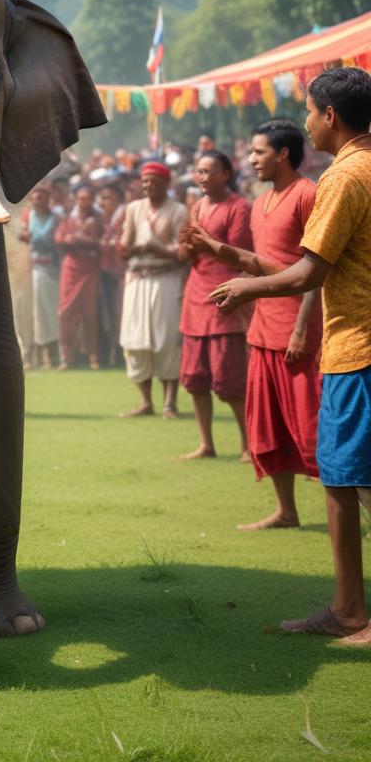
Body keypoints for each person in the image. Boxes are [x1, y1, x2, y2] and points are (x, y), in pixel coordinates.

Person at [212, 68, 371, 645]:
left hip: (356, 346)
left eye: (309, 110)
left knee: (344, 478)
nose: (307, 121)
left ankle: (351, 611)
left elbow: (310, 270)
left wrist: (246, 288)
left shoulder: (342, 177)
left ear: (329, 116)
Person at [184, 120, 321, 530]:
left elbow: (318, 268)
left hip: (299, 327)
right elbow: (260, 264)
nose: (251, 158)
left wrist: (301, 327)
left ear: (283, 154)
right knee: (270, 424)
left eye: (259, 151)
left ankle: (353, 508)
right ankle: (286, 510)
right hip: (263, 326)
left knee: (312, 424)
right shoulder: (261, 202)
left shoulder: (308, 194)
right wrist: (212, 248)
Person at [177, 151, 252, 460]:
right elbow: (185, 257)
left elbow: (239, 255)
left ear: (226, 174)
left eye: (210, 171)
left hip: (224, 296)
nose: (203, 177)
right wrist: (188, 245)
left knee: (230, 378)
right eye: (199, 171)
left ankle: (249, 444)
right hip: (196, 296)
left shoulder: (238, 207)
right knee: (195, 377)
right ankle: (206, 443)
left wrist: (204, 241)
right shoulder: (197, 207)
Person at [118, 161, 188, 418]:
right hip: (137, 279)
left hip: (166, 279)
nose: (149, 186)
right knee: (135, 341)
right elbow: (125, 246)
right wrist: (132, 247)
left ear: (166, 184)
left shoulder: (178, 211)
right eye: (145, 181)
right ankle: (145, 401)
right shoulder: (133, 209)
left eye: (154, 182)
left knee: (166, 340)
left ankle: (170, 402)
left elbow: (182, 252)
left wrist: (154, 247)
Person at [55, 184, 102, 370]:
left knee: (90, 312)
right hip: (71, 266)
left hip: (90, 267)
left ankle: (92, 354)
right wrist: (69, 239)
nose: (84, 203)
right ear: (76, 199)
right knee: (66, 311)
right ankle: (67, 356)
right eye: (81, 199)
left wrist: (82, 240)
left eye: (87, 199)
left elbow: (104, 242)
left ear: (92, 200)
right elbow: (59, 237)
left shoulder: (97, 218)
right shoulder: (68, 217)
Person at [22, 185, 60, 369]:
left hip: (50, 269)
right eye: (35, 198)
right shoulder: (28, 217)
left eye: (42, 198)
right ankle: (37, 355)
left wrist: (31, 238)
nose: (38, 202)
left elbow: (50, 241)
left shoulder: (55, 218)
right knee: (32, 313)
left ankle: (52, 355)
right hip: (30, 270)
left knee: (49, 312)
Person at [98, 184, 126, 368]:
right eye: (103, 198)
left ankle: (122, 354)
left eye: (109, 198)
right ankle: (111, 353)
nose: (105, 202)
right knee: (109, 314)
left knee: (121, 312)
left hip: (122, 271)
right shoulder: (102, 217)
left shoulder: (126, 215)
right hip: (105, 270)